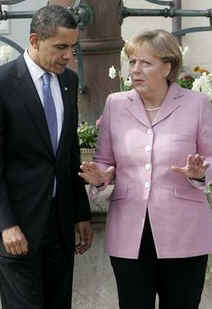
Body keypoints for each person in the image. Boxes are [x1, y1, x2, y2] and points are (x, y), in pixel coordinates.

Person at [79, 29, 212, 309]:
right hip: (129, 233)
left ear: (168, 67)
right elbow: (104, 160)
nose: (135, 70)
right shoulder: (115, 104)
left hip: (185, 232)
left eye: (145, 63)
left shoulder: (197, 104)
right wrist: (101, 177)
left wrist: (199, 173)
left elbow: (210, 161)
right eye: (132, 62)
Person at [0, 5, 93, 309]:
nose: (69, 56)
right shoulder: (3, 83)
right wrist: (6, 224)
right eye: (61, 47)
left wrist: (80, 213)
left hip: (61, 226)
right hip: (18, 229)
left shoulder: (68, 82)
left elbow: (69, 154)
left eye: (73, 47)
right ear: (35, 40)